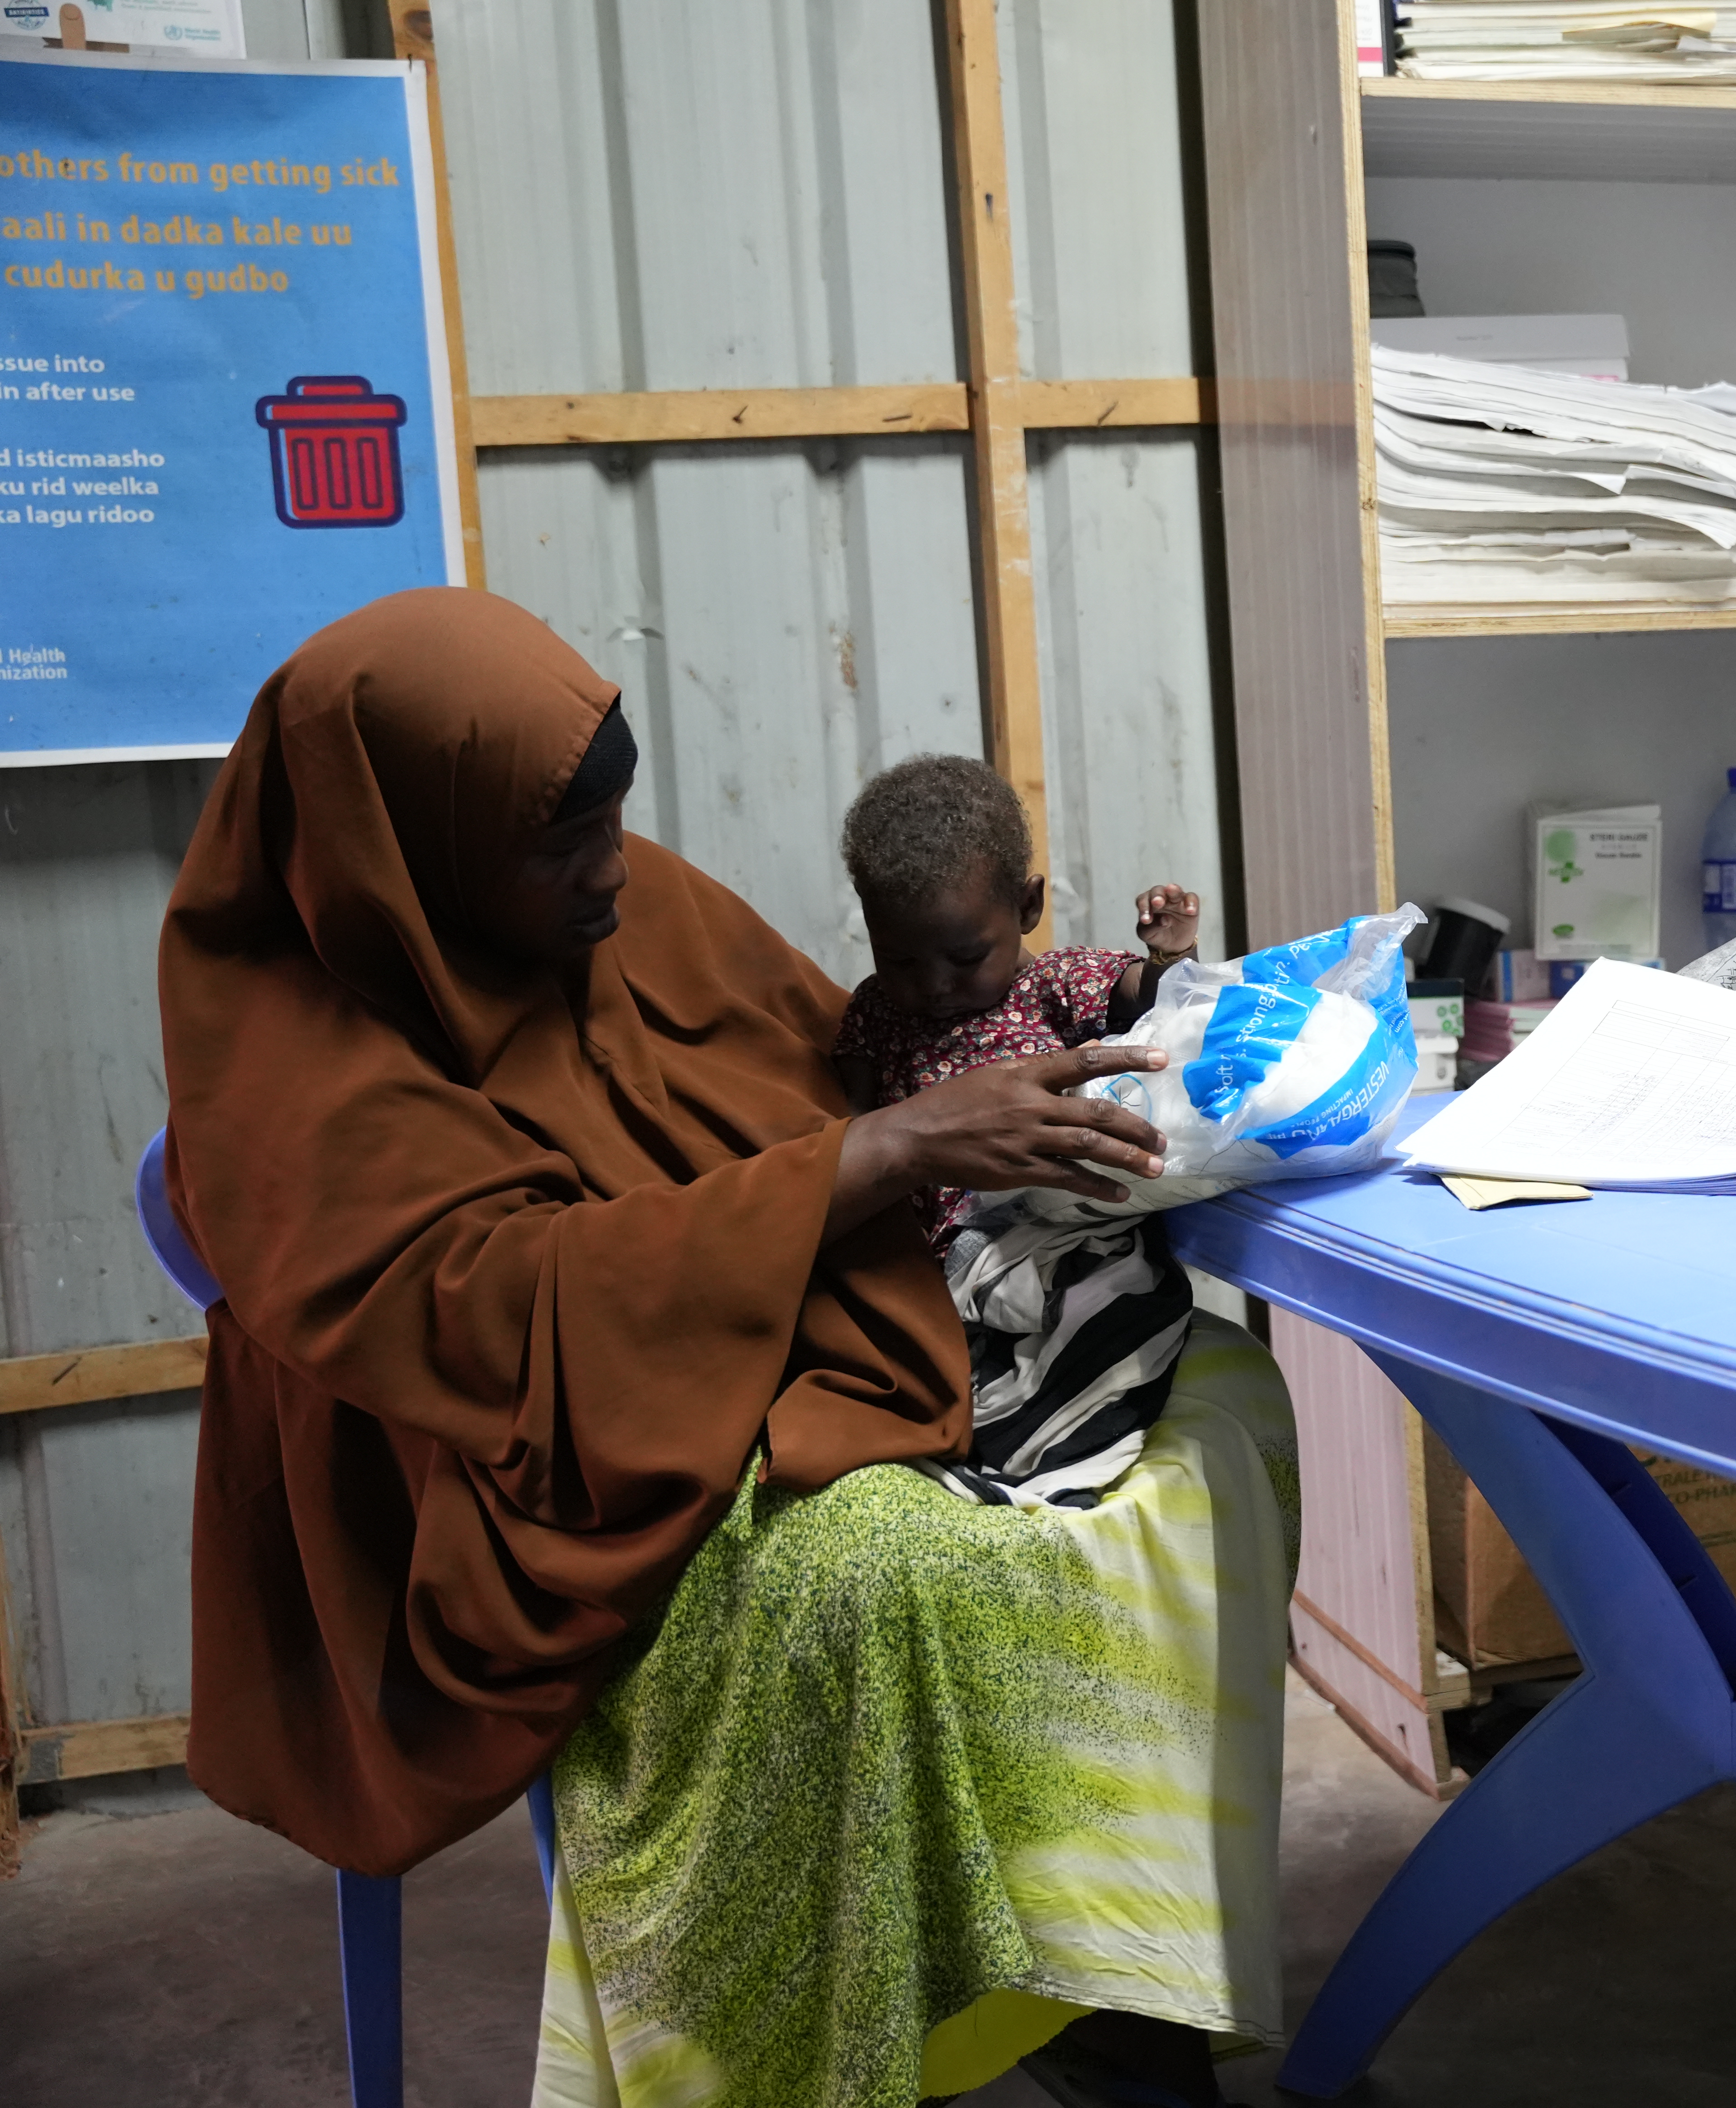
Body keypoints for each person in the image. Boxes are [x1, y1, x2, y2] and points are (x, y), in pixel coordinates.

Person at [160, 588, 1292, 2108]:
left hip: (772, 1326)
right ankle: (883, 2014)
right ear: (410, 850)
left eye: (611, 821)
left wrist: (979, 1122)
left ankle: (1096, 1957)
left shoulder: (620, 907)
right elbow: (485, 1320)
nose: (610, 870)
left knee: (1214, 1404)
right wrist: (889, 1153)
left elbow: (827, 1071)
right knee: (883, 1573)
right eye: (556, 843)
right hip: (527, 1458)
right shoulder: (295, 1065)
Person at [832, 752, 1203, 1250]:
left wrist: (1169, 952)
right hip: (935, 1254)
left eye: (966, 958)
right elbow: (846, 1129)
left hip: (1056, 1223)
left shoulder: (1055, 981)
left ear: (1027, 907)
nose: (935, 984)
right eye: (900, 961)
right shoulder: (876, 1009)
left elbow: (1150, 998)